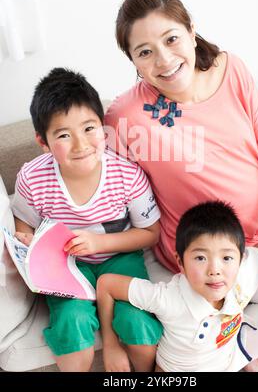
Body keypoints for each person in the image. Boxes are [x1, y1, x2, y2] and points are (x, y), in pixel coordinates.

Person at [104, 0, 258, 371]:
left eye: (171, 39)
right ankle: (231, 352)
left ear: (192, 31)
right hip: (201, 259)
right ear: (134, 62)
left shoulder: (233, 70)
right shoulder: (125, 116)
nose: (164, 59)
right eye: (145, 52)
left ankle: (238, 348)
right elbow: (110, 189)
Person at [11, 68, 163, 372]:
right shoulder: (32, 177)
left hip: (119, 257)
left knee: (136, 320)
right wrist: (25, 240)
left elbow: (150, 233)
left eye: (89, 128)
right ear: (43, 142)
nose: (80, 145)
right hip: (65, 267)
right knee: (71, 320)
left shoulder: (126, 174)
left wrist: (99, 242)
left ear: (103, 127)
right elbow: (23, 223)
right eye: (64, 135)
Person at [97, 201, 258, 372]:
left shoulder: (244, 271)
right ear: (180, 262)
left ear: (240, 257)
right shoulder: (168, 298)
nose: (215, 270)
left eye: (227, 257)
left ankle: (245, 357)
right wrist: (111, 345)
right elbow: (106, 283)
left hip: (224, 361)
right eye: (200, 258)